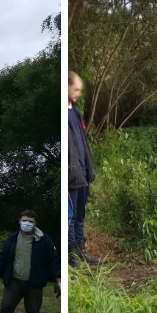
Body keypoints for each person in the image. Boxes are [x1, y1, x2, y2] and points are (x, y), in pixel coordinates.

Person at [0, 210, 59, 313]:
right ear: (19, 221)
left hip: (34, 284)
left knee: (33, 312)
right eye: (24, 221)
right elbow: (3, 258)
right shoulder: (12, 238)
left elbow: (53, 260)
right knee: (6, 307)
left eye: (30, 221)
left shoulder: (43, 239)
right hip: (14, 281)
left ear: (36, 223)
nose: (27, 223)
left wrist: (58, 280)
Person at [67, 70, 99, 267]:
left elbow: (83, 144)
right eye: (76, 89)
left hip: (84, 172)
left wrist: (90, 168)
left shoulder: (76, 112)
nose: (78, 93)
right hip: (72, 175)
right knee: (70, 217)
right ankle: (71, 257)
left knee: (80, 216)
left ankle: (81, 252)